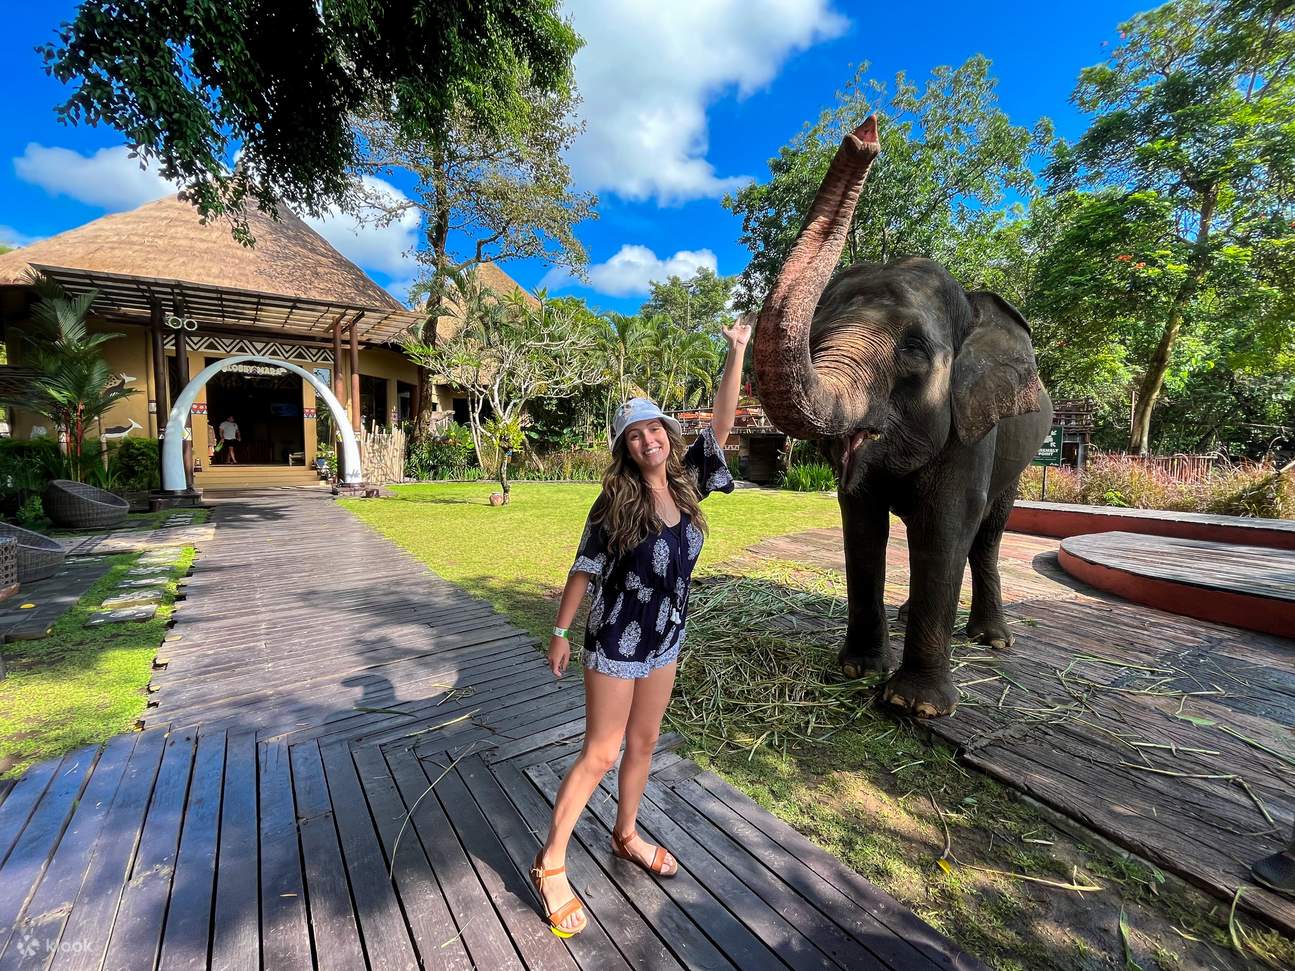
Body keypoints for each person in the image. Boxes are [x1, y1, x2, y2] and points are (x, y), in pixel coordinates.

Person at [529, 316, 751, 938]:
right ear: (625, 447)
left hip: (666, 638)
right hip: (616, 641)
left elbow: (725, 424)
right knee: (601, 751)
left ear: (667, 436)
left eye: (655, 427)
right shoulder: (613, 504)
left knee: (646, 744)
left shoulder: (686, 485)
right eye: (635, 434)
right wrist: (562, 631)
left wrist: (737, 351)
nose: (648, 438)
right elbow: (583, 568)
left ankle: (625, 833)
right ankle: (551, 862)